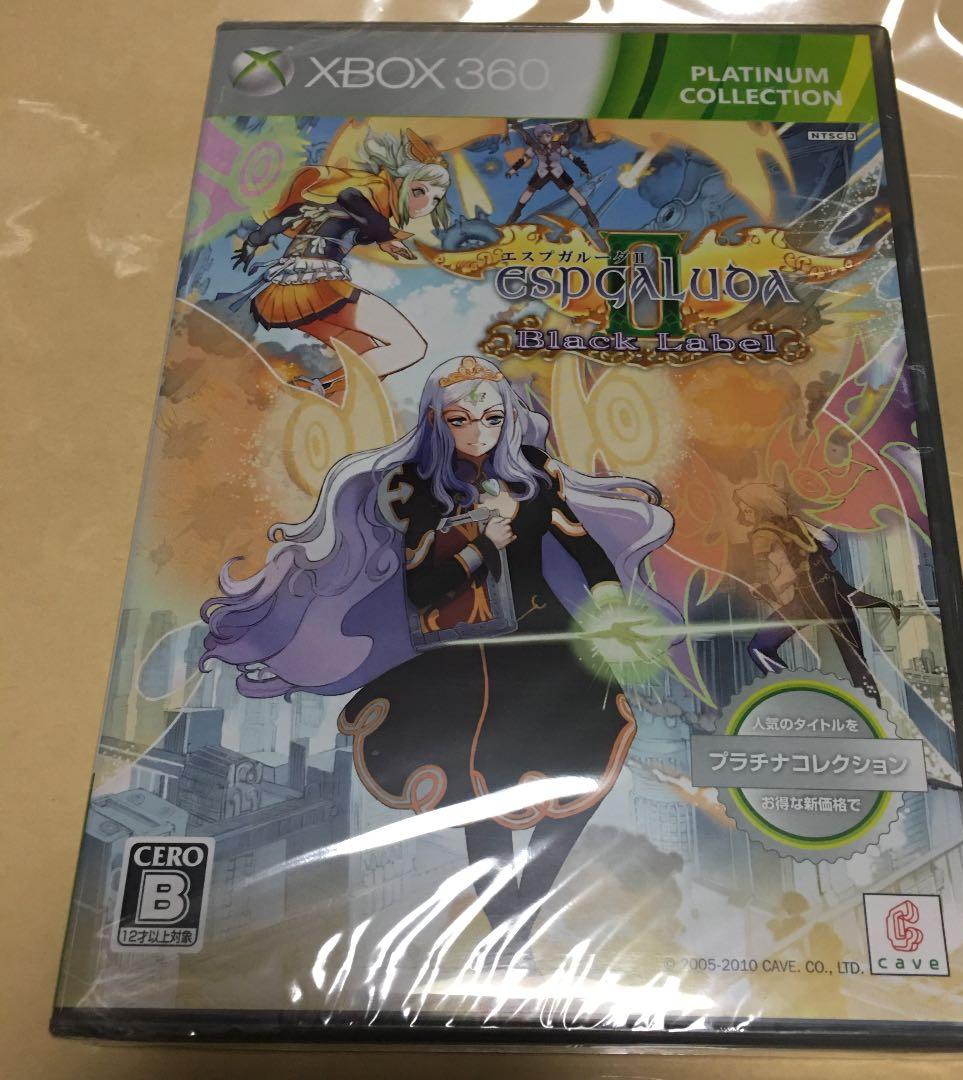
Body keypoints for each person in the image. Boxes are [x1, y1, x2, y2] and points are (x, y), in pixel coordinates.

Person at [202, 355, 684, 965]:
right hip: (468, 661)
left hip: (549, 646)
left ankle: (529, 904)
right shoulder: (415, 487)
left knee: (585, 763)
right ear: (436, 420)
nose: (479, 432)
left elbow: (581, 545)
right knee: (483, 796)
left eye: (492, 417)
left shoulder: (534, 470)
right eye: (461, 420)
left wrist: (610, 600)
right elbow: (422, 591)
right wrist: (482, 545)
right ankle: (509, 937)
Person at [232, 129, 452, 401]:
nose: (426, 205)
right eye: (419, 191)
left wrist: (254, 241)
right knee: (410, 346)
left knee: (368, 360)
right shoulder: (374, 192)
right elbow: (350, 197)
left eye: (436, 200)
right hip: (319, 289)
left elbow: (289, 215)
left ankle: (311, 393)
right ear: (399, 182)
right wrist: (384, 236)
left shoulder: (335, 203)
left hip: (285, 294)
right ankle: (320, 388)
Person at [735, 483, 899, 705]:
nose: (744, 515)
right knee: (855, 658)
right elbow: (830, 543)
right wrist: (817, 563)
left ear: (760, 507)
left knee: (759, 647)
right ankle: (873, 708)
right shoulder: (795, 522)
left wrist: (763, 589)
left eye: (747, 510)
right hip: (831, 590)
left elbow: (785, 575)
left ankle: (797, 696)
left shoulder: (762, 536)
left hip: (809, 599)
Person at [505, 123, 600, 229]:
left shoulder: (558, 146)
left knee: (574, 193)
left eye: (547, 135)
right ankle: (516, 213)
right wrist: (513, 170)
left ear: (551, 135)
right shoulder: (535, 147)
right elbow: (523, 159)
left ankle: (590, 216)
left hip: (558, 173)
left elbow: (572, 157)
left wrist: (584, 168)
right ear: (538, 137)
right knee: (528, 192)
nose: (545, 138)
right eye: (541, 136)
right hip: (542, 173)